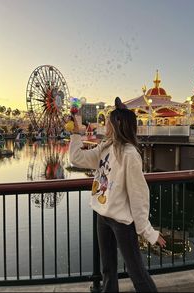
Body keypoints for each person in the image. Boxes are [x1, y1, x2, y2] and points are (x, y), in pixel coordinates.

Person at [69, 97, 166, 292]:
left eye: (108, 121)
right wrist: (75, 134)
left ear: (118, 124)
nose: (105, 125)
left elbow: (139, 196)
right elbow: (77, 158)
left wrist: (148, 232)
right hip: (103, 215)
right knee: (108, 270)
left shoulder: (130, 155)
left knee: (136, 272)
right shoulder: (106, 147)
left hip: (122, 221)